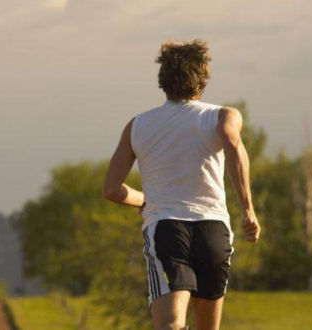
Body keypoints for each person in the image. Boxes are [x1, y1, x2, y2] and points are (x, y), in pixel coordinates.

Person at [102, 38, 261, 330]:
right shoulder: (223, 116)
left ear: (163, 80)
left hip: (166, 230)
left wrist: (144, 200)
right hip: (213, 230)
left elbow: (111, 189)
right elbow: (232, 143)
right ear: (202, 79)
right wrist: (248, 209)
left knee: (171, 325)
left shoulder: (137, 125)